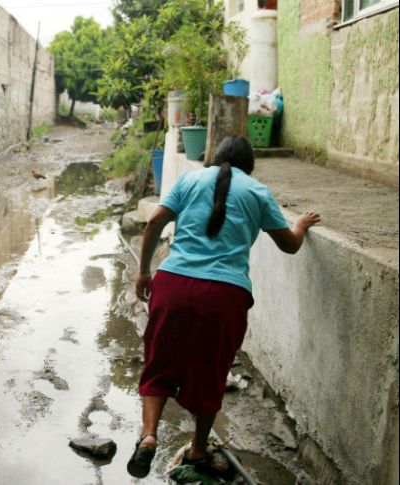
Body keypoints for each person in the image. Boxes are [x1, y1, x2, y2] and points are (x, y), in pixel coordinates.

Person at [126, 135, 320, 478]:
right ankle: (199, 451)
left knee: (158, 364)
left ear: (212, 159)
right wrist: (300, 225)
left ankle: (148, 436)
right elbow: (289, 246)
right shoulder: (258, 192)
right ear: (250, 166)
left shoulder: (189, 180)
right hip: (224, 297)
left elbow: (155, 222)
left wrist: (144, 272)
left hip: (173, 286)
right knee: (210, 372)